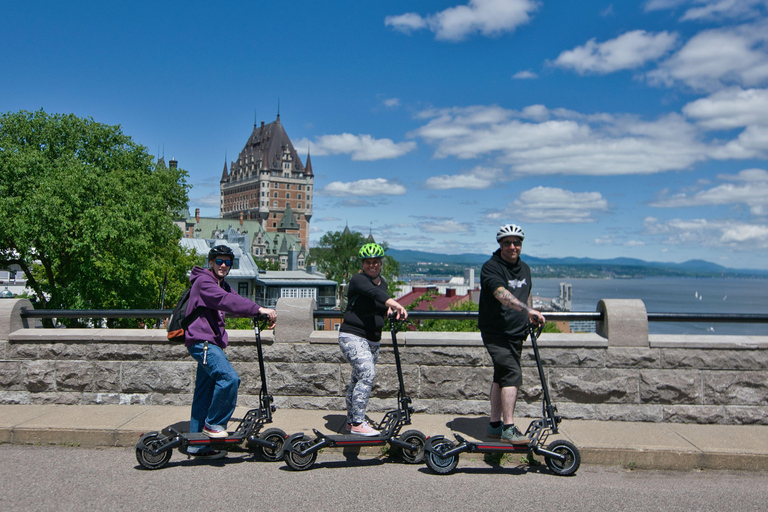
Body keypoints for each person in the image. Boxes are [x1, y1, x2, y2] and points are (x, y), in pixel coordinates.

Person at [184, 244, 277, 458]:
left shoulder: (221, 284)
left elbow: (237, 300)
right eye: (219, 261)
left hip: (210, 342)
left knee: (203, 394)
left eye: (227, 262)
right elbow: (226, 301)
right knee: (229, 379)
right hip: (202, 342)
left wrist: (258, 312)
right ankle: (214, 424)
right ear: (210, 262)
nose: (223, 265)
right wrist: (260, 309)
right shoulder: (204, 282)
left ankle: (197, 445)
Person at [478, 224, 545, 445]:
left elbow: (526, 295)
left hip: (517, 333)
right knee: (512, 373)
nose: (512, 247)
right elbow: (500, 293)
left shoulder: (524, 268)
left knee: (501, 376)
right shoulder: (491, 267)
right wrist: (527, 310)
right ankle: (509, 428)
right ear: (500, 245)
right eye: (507, 243)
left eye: (516, 242)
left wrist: (530, 315)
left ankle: (494, 425)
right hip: (495, 332)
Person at [338, 243, 408, 436]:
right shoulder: (358, 280)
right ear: (363, 264)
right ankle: (359, 422)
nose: (372, 266)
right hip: (352, 335)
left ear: (380, 263)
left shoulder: (383, 282)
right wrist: (396, 303)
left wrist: (388, 310)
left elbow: (378, 302)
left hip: (373, 340)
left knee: (357, 380)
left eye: (376, 262)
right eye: (368, 262)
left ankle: (351, 421)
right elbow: (374, 294)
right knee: (367, 373)